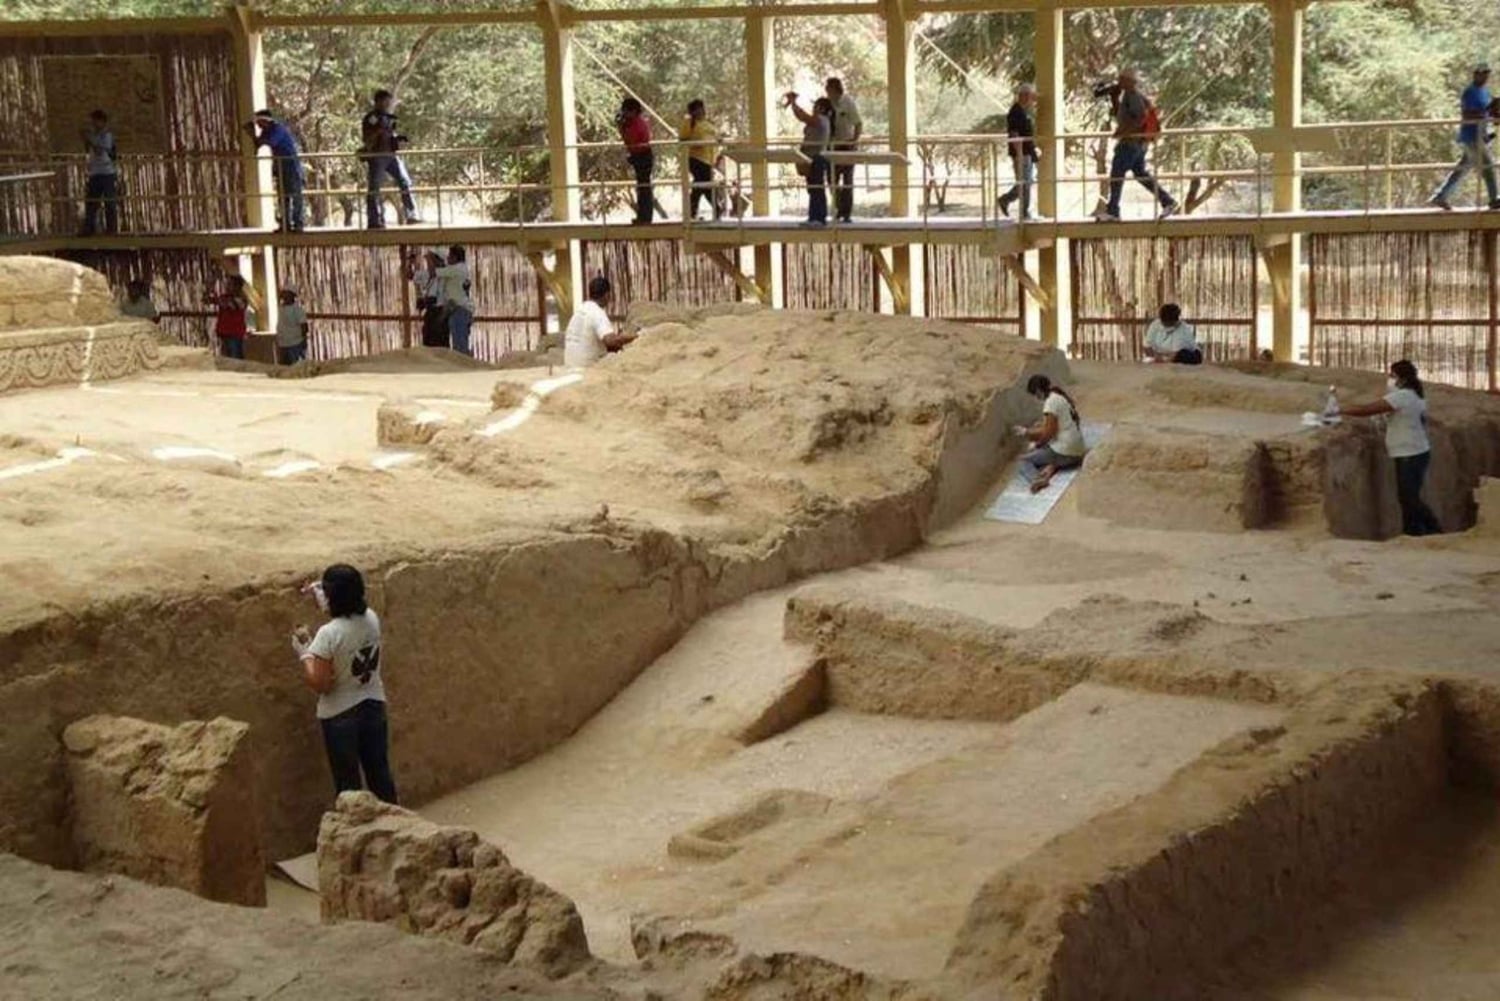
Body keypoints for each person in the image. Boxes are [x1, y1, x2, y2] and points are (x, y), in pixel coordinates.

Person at [291, 564, 398, 804]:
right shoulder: (371, 618)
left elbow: (321, 684)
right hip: (373, 705)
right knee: (380, 775)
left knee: (348, 786)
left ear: (332, 596)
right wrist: (322, 595)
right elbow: (345, 619)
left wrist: (306, 653)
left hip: (340, 715)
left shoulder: (328, 635)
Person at [1337, 360, 1443, 537]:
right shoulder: (1413, 395)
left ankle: (1433, 530)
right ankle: (1414, 532)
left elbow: (1367, 410)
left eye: (1392, 375)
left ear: (1401, 378)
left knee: (1409, 497)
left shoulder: (1403, 396)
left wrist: (1339, 410)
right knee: (1408, 496)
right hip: (1412, 451)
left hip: (1410, 452)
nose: (1389, 379)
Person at [1095, 70, 1177, 222]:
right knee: (1141, 174)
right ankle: (1167, 201)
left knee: (1117, 174)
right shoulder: (1129, 96)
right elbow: (1123, 115)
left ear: (1130, 82)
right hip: (1138, 144)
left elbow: (1139, 119)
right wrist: (1114, 99)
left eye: (1122, 80)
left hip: (1130, 143)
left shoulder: (1132, 96)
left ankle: (1113, 211)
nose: (1119, 82)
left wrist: (1124, 132)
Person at [1430, 63, 1500, 211]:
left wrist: (1493, 114)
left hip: (1481, 135)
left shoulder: (1485, 92)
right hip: (1472, 136)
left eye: (1487, 73)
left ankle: (1441, 196)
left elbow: (1489, 111)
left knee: (1462, 169)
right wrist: (1485, 112)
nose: (1486, 76)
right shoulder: (1470, 92)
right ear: (1476, 74)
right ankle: (1494, 199)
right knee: (1488, 167)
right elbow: (1467, 114)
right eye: (1483, 73)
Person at [1017, 374, 1087, 494]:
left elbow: (1048, 433)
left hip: (1068, 452)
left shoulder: (1050, 404)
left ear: (1038, 391)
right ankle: (1051, 465)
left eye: (1035, 394)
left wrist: (1027, 434)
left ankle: (1037, 479)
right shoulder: (1059, 396)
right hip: (1078, 448)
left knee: (1023, 461)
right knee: (1043, 450)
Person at [361, 89, 420, 229]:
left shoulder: (389, 117)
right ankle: (375, 220)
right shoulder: (371, 118)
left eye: (389, 101)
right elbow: (367, 139)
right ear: (378, 102)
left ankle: (411, 214)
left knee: (405, 182)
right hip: (377, 156)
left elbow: (390, 134)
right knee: (374, 187)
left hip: (391, 155)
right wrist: (378, 131)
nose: (388, 104)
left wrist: (398, 139)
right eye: (385, 101)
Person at [247, 110, 305, 232]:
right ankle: (285, 224)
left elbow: (270, 142)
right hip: (280, 167)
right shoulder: (266, 131)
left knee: (295, 195)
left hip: (291, 166)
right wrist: (253, 136)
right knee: (283, 197)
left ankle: (298, 223)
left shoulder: (278, 129)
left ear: (265, 121)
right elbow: (259, 145)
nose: (257, 125)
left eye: (259, 122)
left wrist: (256, 137)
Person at [564, 276, 637, 368]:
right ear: (607, 295)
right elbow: (611, 341)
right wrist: (636, 337)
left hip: (570, 365)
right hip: (587, 368)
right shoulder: (597, 312)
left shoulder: (581, 309)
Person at [785, 92, 833, 226]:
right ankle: (813, 217)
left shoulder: (821, 120)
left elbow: (802, 117)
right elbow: (803, 117)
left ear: (822, 108)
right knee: (812, 188)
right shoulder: (819, 120)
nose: (814, 109)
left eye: (816, 106)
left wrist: (793, 103)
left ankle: (819, 218)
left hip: (817, 157)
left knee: (817, 187)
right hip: (810, 158)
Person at [998, 83, 1040, 221]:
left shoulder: (1023, 111)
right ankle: (1024, 212)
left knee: (1025, 182)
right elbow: (1015, 134)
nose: (1030, 99)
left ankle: (1006, 200)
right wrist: (1020, 154)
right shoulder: (1015, 112)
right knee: (1025, 183)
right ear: (1022, 96)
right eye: (1028, 95)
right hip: (1021, 154)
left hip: (1027, 153)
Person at [825, 77, 862, 223]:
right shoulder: (826, 104)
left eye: (829, 89)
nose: (827, 92)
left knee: (847, 180)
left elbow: (858, 123)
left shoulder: (848, 102)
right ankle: (839, 207)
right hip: (831, 146)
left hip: (846, 145)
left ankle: (846, 213)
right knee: (831, 179)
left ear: (835, 89)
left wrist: (855, 140)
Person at [681, 99, 723, 221]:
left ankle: (692, 211)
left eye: (702, 108)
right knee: (704, 183)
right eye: (697, 109)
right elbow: (683, 139)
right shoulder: (690, 123)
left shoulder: (708, 123)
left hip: (709, 159)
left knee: (700, 185)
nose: (701, 111)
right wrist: (696, 143)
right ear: (693, 111)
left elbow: (716, 136)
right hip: (696, 158)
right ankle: (716, 208)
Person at [80, 110, 119, 236]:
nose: (94, 124)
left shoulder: (106, 136)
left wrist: (90, 139)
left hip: (106, 173)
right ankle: (89, 229)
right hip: (95, 173)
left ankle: (111, 229)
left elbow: (100, 151)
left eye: (96, 121)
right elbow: (89, 151)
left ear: (102, 121)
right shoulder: (94, 135)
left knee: (109, 202)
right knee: (91, 202)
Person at [433, 244, 474, 356]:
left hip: (460, 310)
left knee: (459, 346)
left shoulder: (456, 269)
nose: (448, 259)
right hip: (459, 310)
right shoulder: (460, 269)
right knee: (460, 342)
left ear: (455, 257)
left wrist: (432, 262)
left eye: (450, 256)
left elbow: (434, 273)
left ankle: (465, 368)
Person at [619, 97, 654, 224]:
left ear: (633, 111)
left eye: (626, 111)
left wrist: (623, 128)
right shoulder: (632, 123)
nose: (624, 114)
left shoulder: (637, 123)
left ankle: (645, 217)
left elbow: (632, 140)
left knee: (644, 187)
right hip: (638, 155)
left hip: (643, 155)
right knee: (642, 186)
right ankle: (643, 215)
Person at [407, 250, 449, 348]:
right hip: (430, 312)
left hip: (441, 313)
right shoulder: (427, 275)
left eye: (430, 260)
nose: (428, 263)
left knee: (440, 343)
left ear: (438, 262)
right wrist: (410, 263)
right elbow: (409, 275)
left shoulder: (445, 276)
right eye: (427, 260)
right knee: (428, 340)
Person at [205, 274, 249, 360]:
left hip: (234, 334)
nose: (227, 286)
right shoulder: (225, 297)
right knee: (228, 359)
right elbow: (213, 301)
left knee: (235, 359)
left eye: (230, 284)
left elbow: (231, 305)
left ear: (237, 286)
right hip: (225, 333)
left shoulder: (241, 299)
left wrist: (215, 300)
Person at [276, 287, 309, 365]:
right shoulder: (281, 308)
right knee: (283, 368)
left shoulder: (297, 310)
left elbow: (304, 326)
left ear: (292, 296)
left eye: (287, 294)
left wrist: (304, 340)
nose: (284, 296)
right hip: (283, 343)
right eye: (283, 294)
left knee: (296, 367)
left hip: (295, 343)